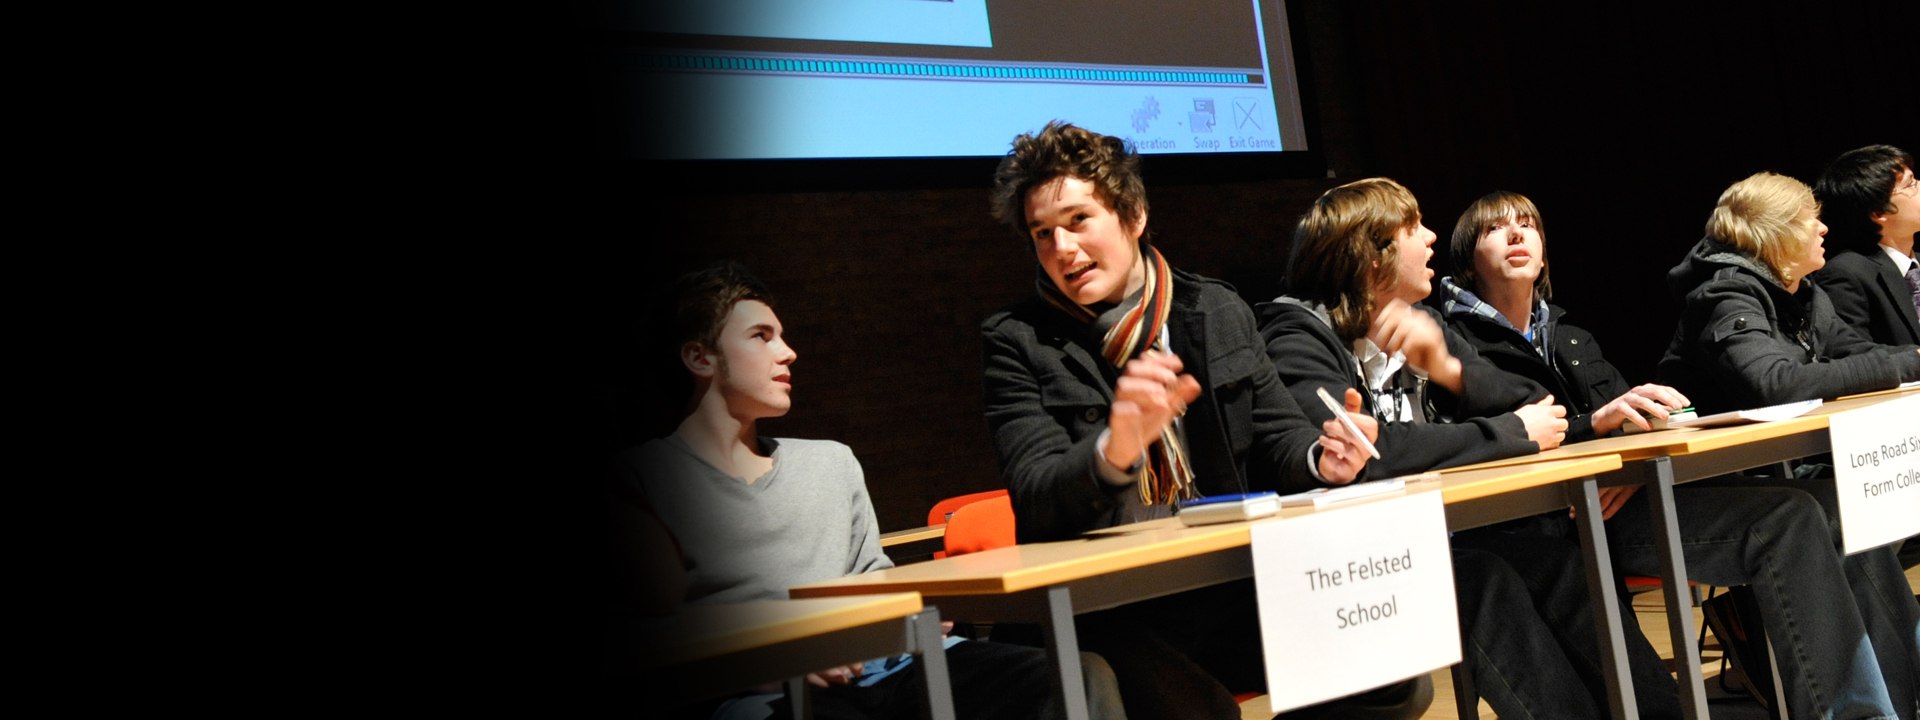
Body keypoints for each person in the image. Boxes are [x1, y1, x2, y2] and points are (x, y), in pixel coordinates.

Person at [982, 122, 1424, 720]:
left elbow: (1279, 437)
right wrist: (1116, 448)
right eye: (1042, 233)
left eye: (1078, 220)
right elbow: (1036, 496)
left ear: (1134, 216)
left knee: (1391, 673)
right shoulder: (1017, 341)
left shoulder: (1212, 308)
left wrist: (1322, 458)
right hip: (1101, 609)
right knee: (1203, 710)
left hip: (1218, 587)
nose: (1061, 247)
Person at [621, 262, 1127, 720]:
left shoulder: (830, 462)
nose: (788, 352)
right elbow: (645, 632)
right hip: (768, 690)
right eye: (761, 336)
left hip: (887, 665)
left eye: (782, 336)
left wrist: (912, 611)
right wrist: (769, 661)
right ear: (700, 358)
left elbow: (873, 580)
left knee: (1076, 675)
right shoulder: (642, 477)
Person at [1256, 177, 1681, 720]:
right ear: (1372, 253)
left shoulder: (1424, 322)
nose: (1430, 237)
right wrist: (1506, 434)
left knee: (1560, 565)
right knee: (1485, 584)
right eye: (1413, 227)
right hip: (1346, 565)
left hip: (1429, 537)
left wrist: (1449, 371)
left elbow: (1538, 408)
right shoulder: (1295, 334)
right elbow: (1362, 455)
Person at [1812, 145, 1920, 349]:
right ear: (1879, 211)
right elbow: (1855, 353)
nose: (1918, 187)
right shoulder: (1846, 274)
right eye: (1910, 184)